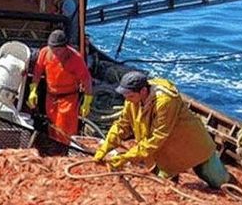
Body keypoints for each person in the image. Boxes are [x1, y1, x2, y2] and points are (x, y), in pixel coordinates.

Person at [93, 71, 231, 188]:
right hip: (163, 153)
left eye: (130, 96)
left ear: (143, 91)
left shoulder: (165, 101)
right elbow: (122, 124)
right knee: (164, 185)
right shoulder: (131, 100)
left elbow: (158, 137)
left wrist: (127, 157)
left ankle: (227, 178)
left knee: (218, 181)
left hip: (190, 144)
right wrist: (105, 147)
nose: (127, 100)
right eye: (125, 96)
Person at [27, 29, 94, 143]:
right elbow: (37, 73)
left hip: (68, 100)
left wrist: (87, 102)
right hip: (50, 97)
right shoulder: (45, 52)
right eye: (53, 49)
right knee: (52, 127)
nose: (55, 52)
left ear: (65, 47)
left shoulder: (76, 58)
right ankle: (54, 152)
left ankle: (66, 154)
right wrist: (33, 91)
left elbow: (87, 80)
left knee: (65, 131)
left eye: (58, 49)